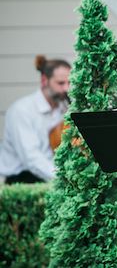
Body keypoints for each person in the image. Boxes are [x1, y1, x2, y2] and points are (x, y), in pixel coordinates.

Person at [0, 55, 71, 184]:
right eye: (61, 83)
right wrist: (64, 179)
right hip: (22, 180)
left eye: (69, 82)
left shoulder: (63, 108)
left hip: (50, 176)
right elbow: (31, 158)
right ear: (44, 80)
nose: (66, 88)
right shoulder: (22, 110)